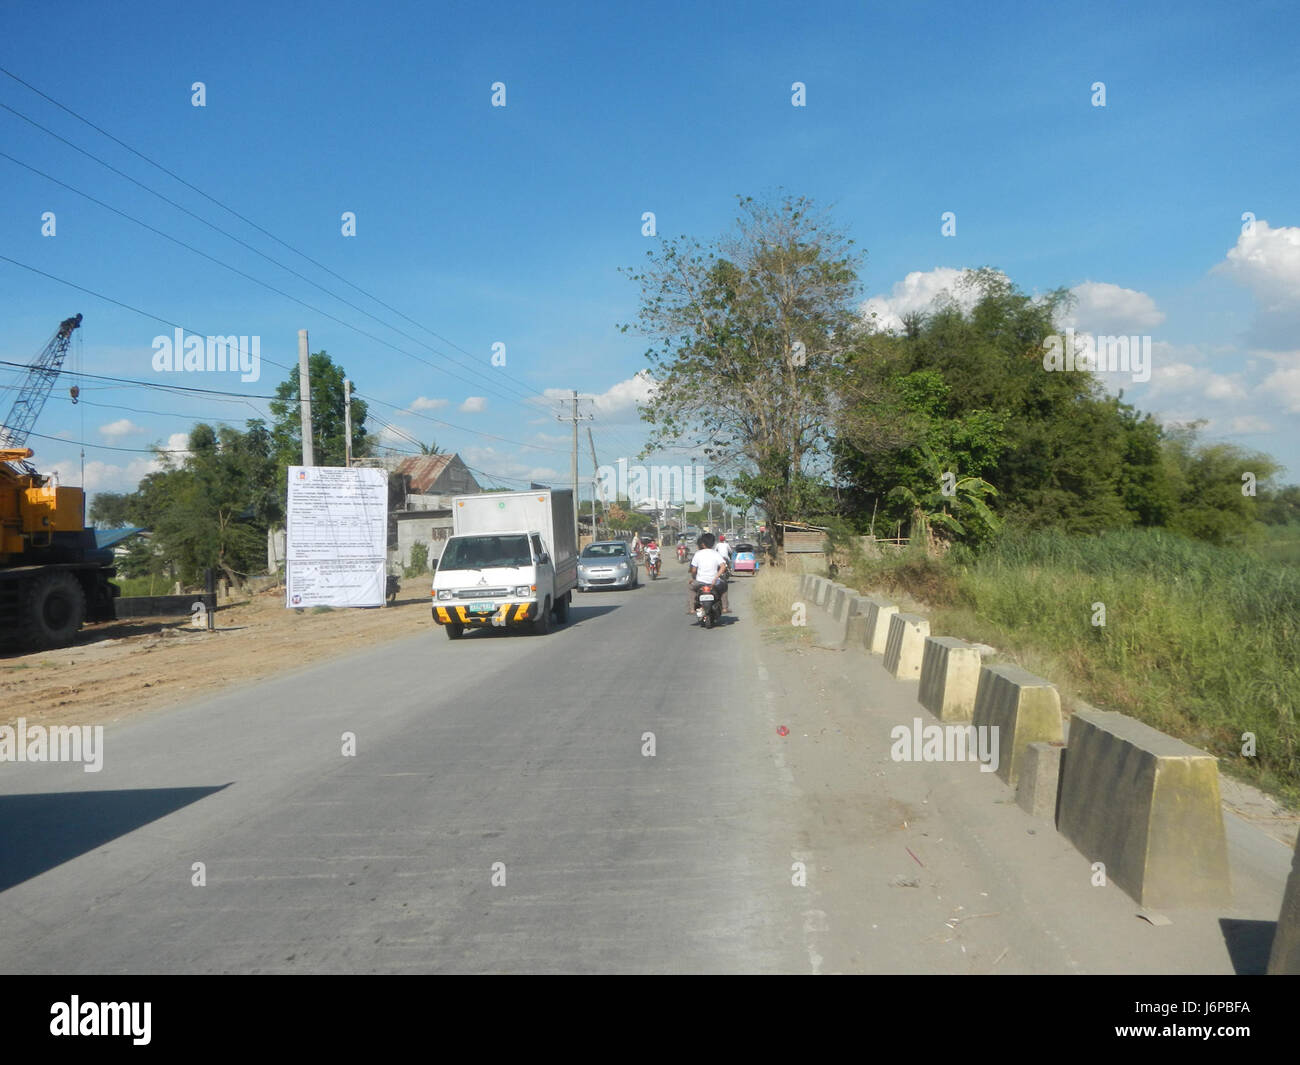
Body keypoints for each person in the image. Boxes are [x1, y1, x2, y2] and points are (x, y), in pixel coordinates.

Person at [687, 532, 729, 616]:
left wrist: (693, 578)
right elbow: (723, 566)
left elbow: (693, 570)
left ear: (702, 544)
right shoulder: (716, 554)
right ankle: (724, 608)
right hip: (714, 583)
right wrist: (716, 577)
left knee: (690, 588)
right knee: (724, 587)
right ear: (713, 543)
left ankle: (691, 609)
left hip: (700, 582)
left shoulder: (697, 554)